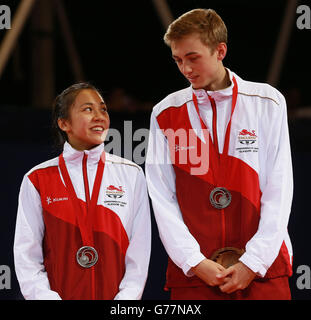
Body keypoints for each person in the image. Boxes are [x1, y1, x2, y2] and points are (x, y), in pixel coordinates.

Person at [146, 8, 293, 300]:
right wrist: (194, 261)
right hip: (196, 276)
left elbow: (280, 189)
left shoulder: (267, 102)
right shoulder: (165, 113)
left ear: (220, 50)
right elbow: (162, 198)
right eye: (178, 60)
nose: (185, 69)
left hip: (263, 271)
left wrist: (253, 262)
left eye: (193, 58)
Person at [14, 83, 151, 300]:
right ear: (64, 123)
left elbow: (139, 254)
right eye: (88, 109)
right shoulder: (37, 179)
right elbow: (26, 256)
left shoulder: (132, 174)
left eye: (103, 109)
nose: (99, 116)